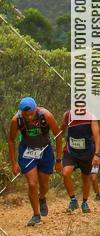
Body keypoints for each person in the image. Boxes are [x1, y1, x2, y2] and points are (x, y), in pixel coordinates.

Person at [7, 97, 63, 227]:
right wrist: (14, 163)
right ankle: (36, 215)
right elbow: (11, 140)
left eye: (32, 114)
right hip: (27, 152)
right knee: (32, 183)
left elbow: (58, 134)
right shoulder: (16, 120)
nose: (30, 118)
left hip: (45, 151)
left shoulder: (46, 115)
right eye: (26, 115)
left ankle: (41, 197)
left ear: (36, 108)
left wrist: (59, 160)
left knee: (44, 185)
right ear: (21, 112)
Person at [59, 110, 100, 213]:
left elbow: (96, 136)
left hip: (87, 153)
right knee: (65, 172)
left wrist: (97, 154)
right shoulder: (67, 115)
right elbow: (61, 130)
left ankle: (84, 202)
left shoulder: (91, 116)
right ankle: (73, 200)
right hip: (70, 151)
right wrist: (57, 136)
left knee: (86, 178)